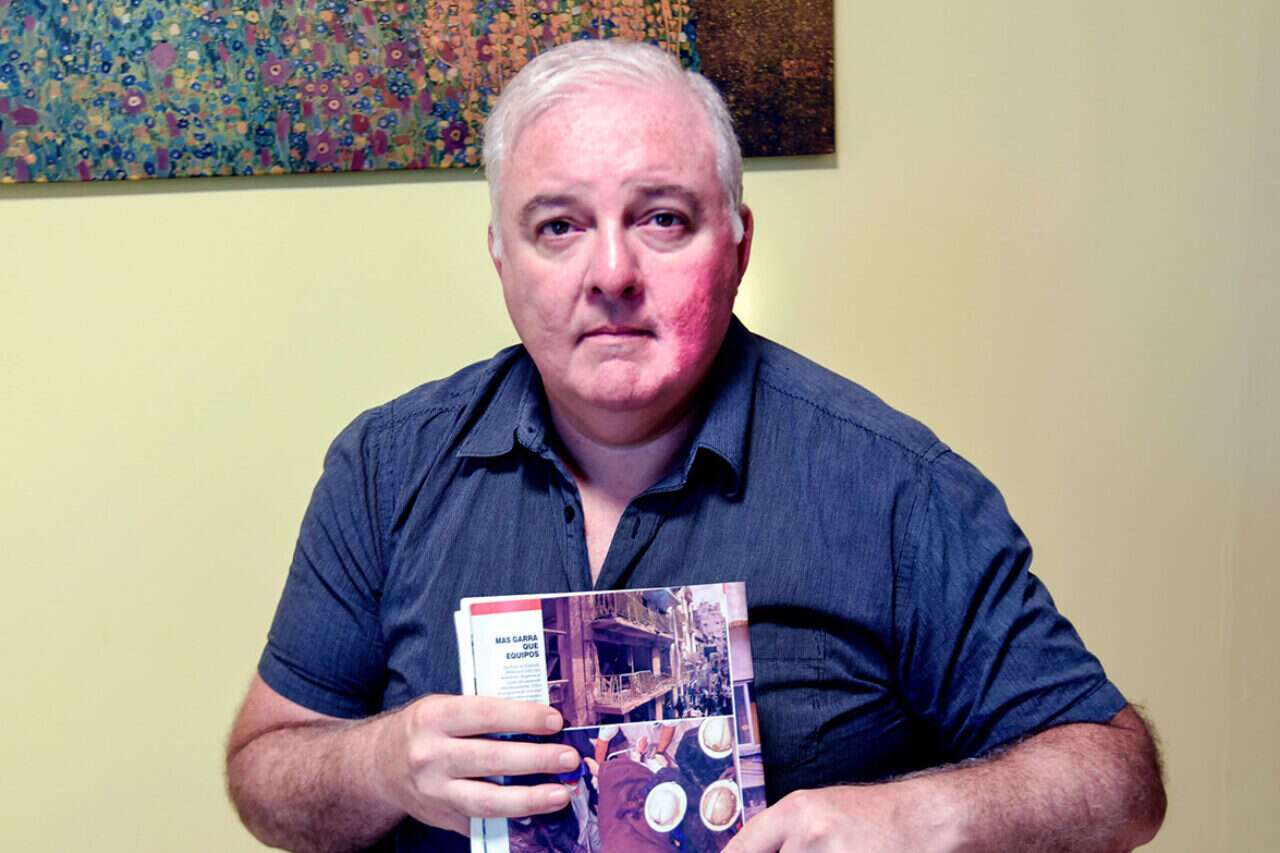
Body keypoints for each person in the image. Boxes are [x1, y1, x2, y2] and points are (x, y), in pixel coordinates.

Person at [226, 38, 1165, 852]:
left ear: (739, 247)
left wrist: (914, 818)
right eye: (558, 226)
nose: (612, 273)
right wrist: (382, 764)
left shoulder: (896, 488)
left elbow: (1119, 778)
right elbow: (264, 768)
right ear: (502, 261)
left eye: (662, 219)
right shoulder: (385, 467)